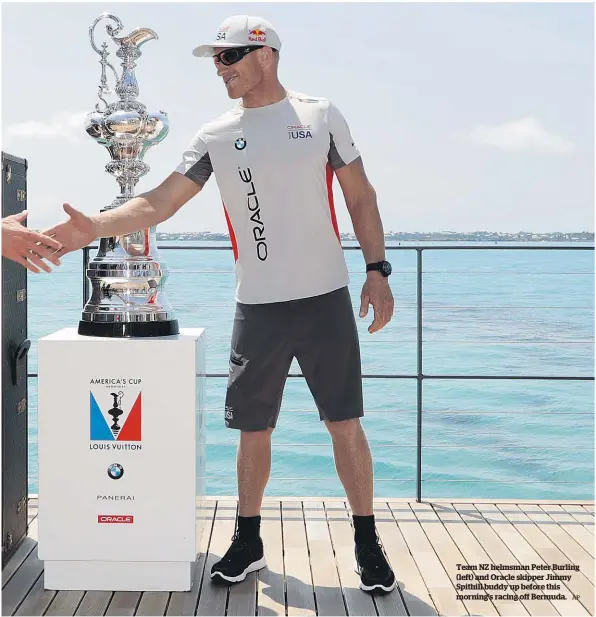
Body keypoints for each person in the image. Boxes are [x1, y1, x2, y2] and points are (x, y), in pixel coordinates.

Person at [45, 15, 396, 594]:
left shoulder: (320, 115)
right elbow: (159, 202)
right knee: (252, 430)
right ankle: (248, 538)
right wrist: (94, 228)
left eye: (229, 57)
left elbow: (361, 197)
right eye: (216, 59)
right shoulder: (214, 135)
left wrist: (377, 272)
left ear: (266, 56)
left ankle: (366, 541)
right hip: (257, 306)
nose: (219, 67)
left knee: (345, 424)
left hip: (325, 299)